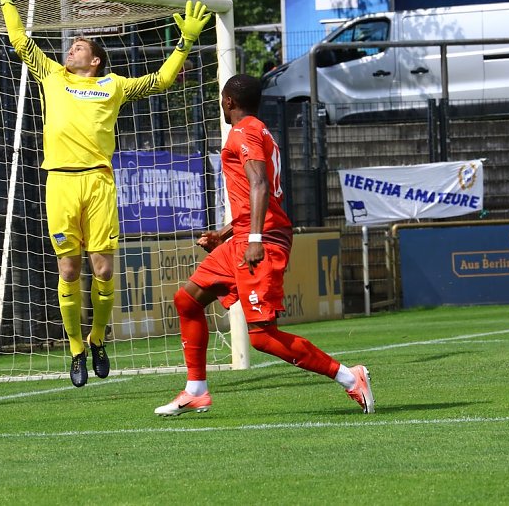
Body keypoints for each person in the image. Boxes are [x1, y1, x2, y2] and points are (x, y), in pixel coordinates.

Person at [0, 0, 211, 387]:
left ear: (94, 61)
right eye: (70, 46)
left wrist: (183, 44)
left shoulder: (112, 85)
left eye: (78, 47)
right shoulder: (51, 74)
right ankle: (74, 348)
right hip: (60, 181)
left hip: (98, 180)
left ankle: (97, 338)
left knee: (104, 270)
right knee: (69, 270)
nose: (69, 48)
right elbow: (20, 42)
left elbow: (161, 82)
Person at [154, 73, 376, 416]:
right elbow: (256, 194)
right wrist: (225, 235)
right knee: (187, 300)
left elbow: (259, 185)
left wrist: (254, 239)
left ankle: (351, 377)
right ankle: (196, 390)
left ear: (228, 101)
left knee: (260, 336)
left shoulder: (244, 132)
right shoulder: (259, 130)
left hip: (260, 240)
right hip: (243, 237)